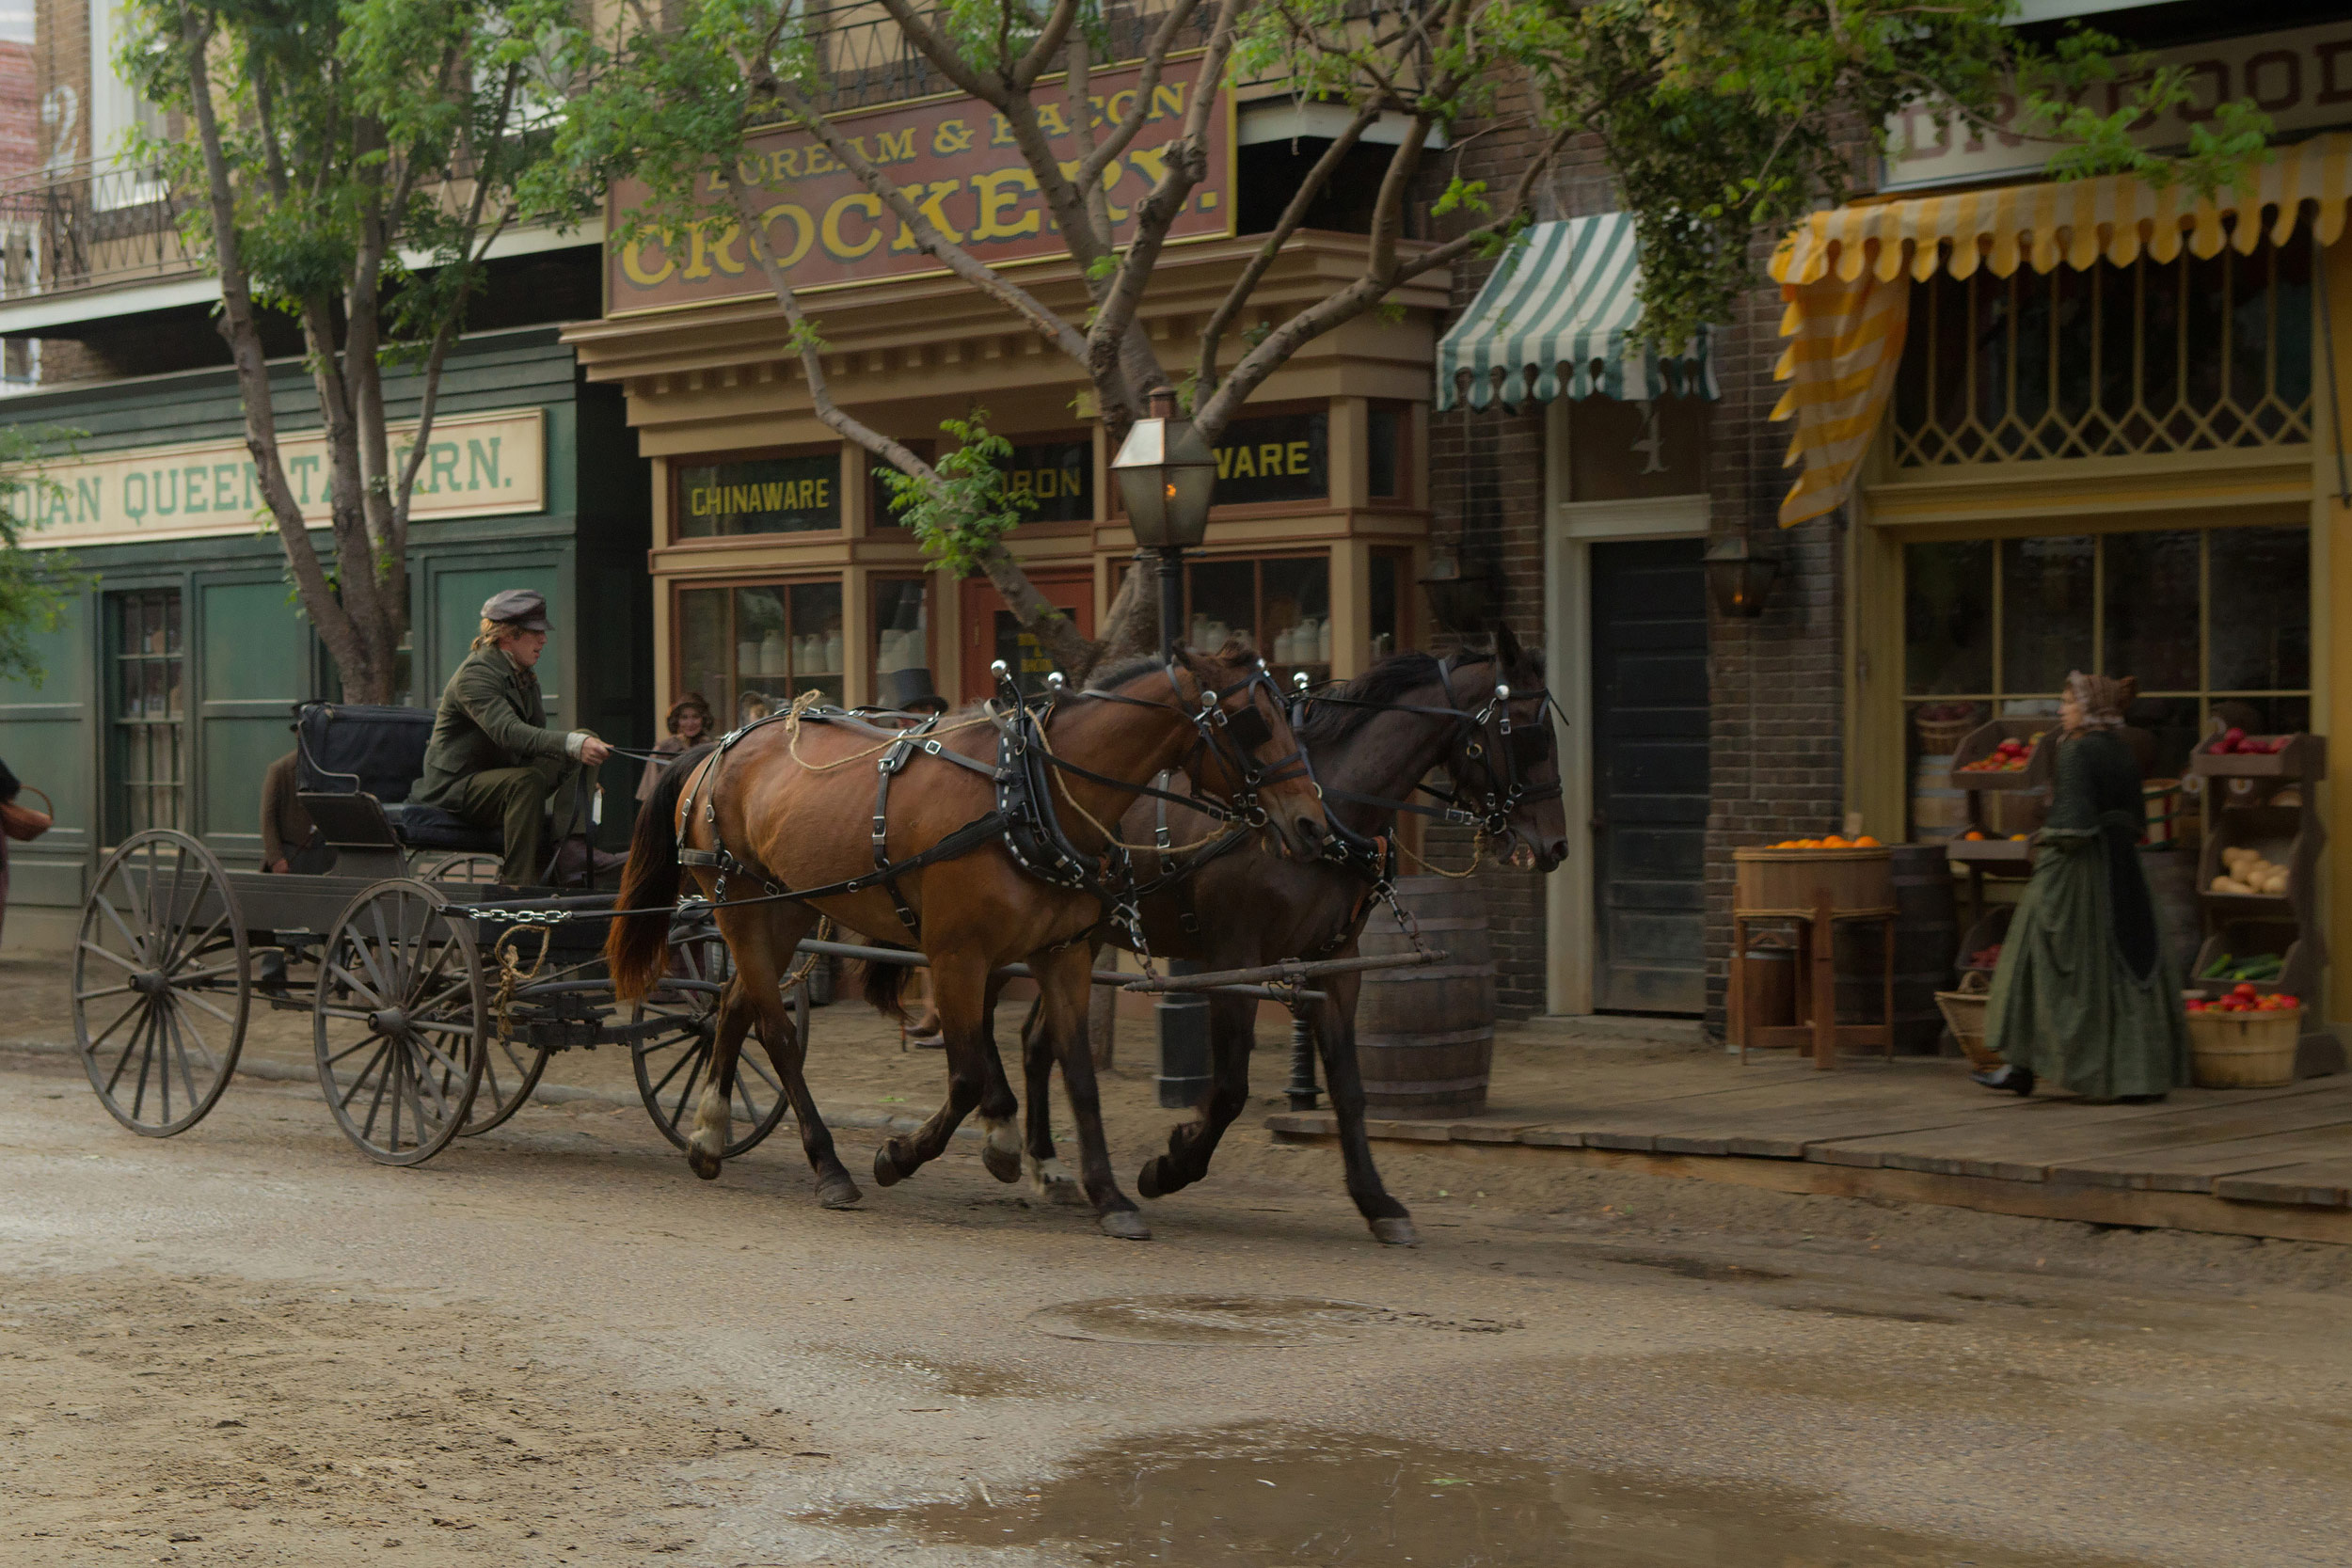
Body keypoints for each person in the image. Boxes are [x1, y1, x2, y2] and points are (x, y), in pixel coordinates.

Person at [1977, 672, 2189, 1101]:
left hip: (2076, 871)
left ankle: (2022, 1067)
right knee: (2128, 963)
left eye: (2067, 703)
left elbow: (2071, 826)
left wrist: (2043, 845)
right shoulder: (2123, 751)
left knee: (2039, 958)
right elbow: (2135, 819)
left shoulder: (2076, 751)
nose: (2060, 711)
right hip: (2124, 869)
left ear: (2089, 709)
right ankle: (2137, 1076)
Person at [412, 589, 619, 886]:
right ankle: (518, 883)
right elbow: (509, 733)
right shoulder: (476, 674)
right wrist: (571, 745)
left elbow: (535, 740)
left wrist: (577, 753)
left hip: (498, 775)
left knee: (583, 740)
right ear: (508, 636)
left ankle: (571, 853)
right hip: (455, 786)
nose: (543, 640)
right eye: (535, 633)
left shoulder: (522, 673)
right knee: (527, 781)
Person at [260, 748, 333, 874]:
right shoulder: (281, 769)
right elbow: (268, 817)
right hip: (292, 854)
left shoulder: (334, 766)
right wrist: (276, 859)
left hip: (327, 855)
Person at [638, 692, 714, 804]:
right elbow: (648, 794)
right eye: (684, 717)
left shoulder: (712, 748)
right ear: (676, 720)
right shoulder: (662, 749)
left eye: (695, 717)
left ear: (703, 719)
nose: (690, 723)